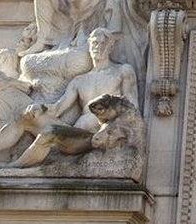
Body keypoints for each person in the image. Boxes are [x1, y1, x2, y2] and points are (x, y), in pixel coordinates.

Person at [9, 28, 138, 168]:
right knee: (23, 119)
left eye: (103, 44)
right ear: (89, 46)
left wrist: (109, 128)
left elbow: (131, 108)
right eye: (95, 43)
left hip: (99, 136)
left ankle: (15, 167)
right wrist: (40, 107)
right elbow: (57, 109)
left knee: (48, 132)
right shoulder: (79, 80)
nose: (98, 47)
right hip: (77, 134)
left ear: (110, 48)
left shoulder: (122, 71)